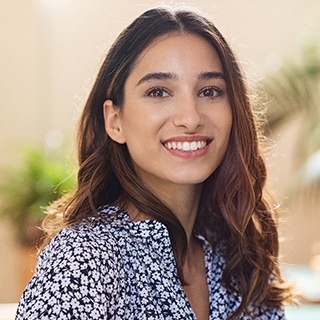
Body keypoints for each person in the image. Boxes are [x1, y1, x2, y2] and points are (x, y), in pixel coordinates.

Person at [16, 5, 293, 320]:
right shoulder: (83, 259)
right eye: (159, 91)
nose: (190, 118)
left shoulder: (241, 257)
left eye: (210, 91)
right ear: (115, 120)